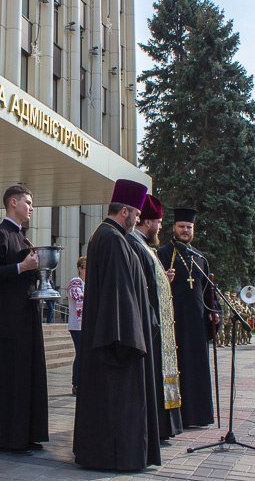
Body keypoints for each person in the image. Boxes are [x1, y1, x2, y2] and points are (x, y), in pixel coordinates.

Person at [74, 179, 161, 470]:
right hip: (118, 342)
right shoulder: (111, 239)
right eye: (136, 214)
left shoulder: (110, 237)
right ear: (124, 212)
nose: (138, 219)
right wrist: (130, 339)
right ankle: (115, 456)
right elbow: (119, 294)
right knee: (117, 402)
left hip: (118, 335)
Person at [0, 185, 46, 456]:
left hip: (27, 314)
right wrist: (21, 267)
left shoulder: (24, 237)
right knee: (9, 376)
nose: (31, 207)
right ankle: (6, 436)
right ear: (13, 202)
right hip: (8, 318)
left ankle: (27, 433)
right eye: (28, 202)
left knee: (27, 373)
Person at [125, 194, 182, 440]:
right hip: (149, 324)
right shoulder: (135, 245)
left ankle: (164, 426)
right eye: (158, 222)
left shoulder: (146, 246)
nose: (160, 227)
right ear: (147, 222)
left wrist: (163, 280)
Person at [156, 208, 219, 428]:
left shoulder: (200, 258)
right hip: (174, 323)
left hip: (197, 324)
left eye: (189, 228)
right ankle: (178, 417)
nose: (185, 231)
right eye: (182, 227)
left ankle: (199, 416)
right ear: (174, 228)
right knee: (178, 368)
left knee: (198, 369)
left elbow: (208, 290)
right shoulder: (163, 254)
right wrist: (165, 280)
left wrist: (214, 313)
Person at [66, 256, 86, 396]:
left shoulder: (89, 283)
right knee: (80, 354)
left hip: (87, 325)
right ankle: (76, 384)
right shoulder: (76, 282)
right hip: (77, 326)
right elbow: (78, 297)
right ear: (80, 269)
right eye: (86, 268)